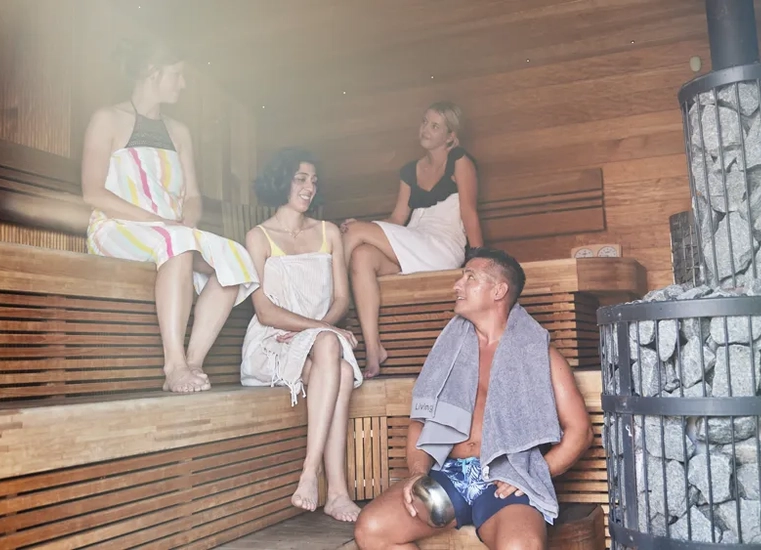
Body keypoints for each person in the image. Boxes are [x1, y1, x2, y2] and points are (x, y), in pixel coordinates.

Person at [354, 247, 594, 550]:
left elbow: (580, 431)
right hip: (447, 476)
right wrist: (417, 473)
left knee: (522, 546)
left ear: (498, 290)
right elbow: (421, 422)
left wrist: (534, 475)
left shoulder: (541, 356)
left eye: (470, 277)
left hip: (506, 477)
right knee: (372, 530)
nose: (458, 285)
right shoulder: (448, 354)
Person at [81, 40, 259, 394]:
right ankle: (173, 364)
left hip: (171, 231)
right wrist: (160, 223)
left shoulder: (179, 132)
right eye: (177, 75)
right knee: (177, 244)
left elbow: (191, 195)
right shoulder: (107, 119)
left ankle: (192, 362)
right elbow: (93, 193)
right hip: (117, 225)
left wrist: (186, 225)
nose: (183, 84)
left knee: (235, 258)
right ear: (151, 71)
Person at [241, 148, 363, 522]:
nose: (309, 187)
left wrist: (321, 329)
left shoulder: (328, 232)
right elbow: (264, 311)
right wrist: (324, 330)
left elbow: (342, 298)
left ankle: (315, 477)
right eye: (300, 178)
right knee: (334, 355)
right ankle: (333, 488)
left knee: (337, 366)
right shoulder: (259, 237)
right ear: (281, 181)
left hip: (318, 340)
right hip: (273, 341)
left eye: (313, 180)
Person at [340, 101, 483, 379]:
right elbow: (397, 219)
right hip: (414, 239)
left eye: (435, 126)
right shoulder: (410, 170)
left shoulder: (460, 160)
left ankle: (326, 306)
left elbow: (469, 212)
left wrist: (477, 260)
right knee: (361, 256)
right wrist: (365, 226)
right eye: (424, 122)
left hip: (442, 245)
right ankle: (373, 350)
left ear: (450, 136)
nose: (425, 129)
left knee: (354, 233)